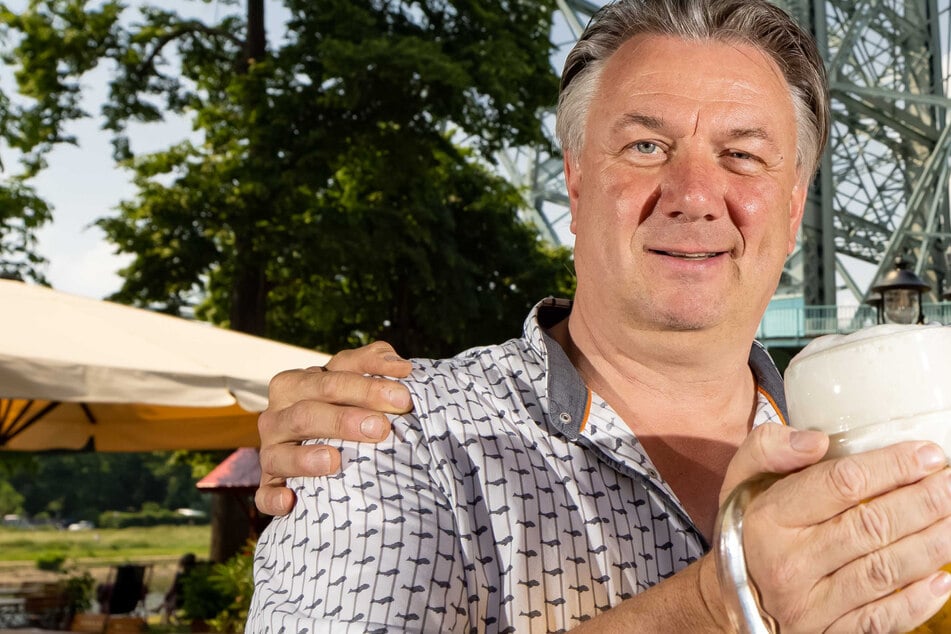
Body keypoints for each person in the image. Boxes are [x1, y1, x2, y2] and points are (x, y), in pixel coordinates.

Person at [249, 0, 951, 631]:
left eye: (741, 155)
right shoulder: (385, 439)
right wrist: (716, 608)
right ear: (576, 180)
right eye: (646, 147)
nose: (694, 195)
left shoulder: (892, 445)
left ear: (794, 208)